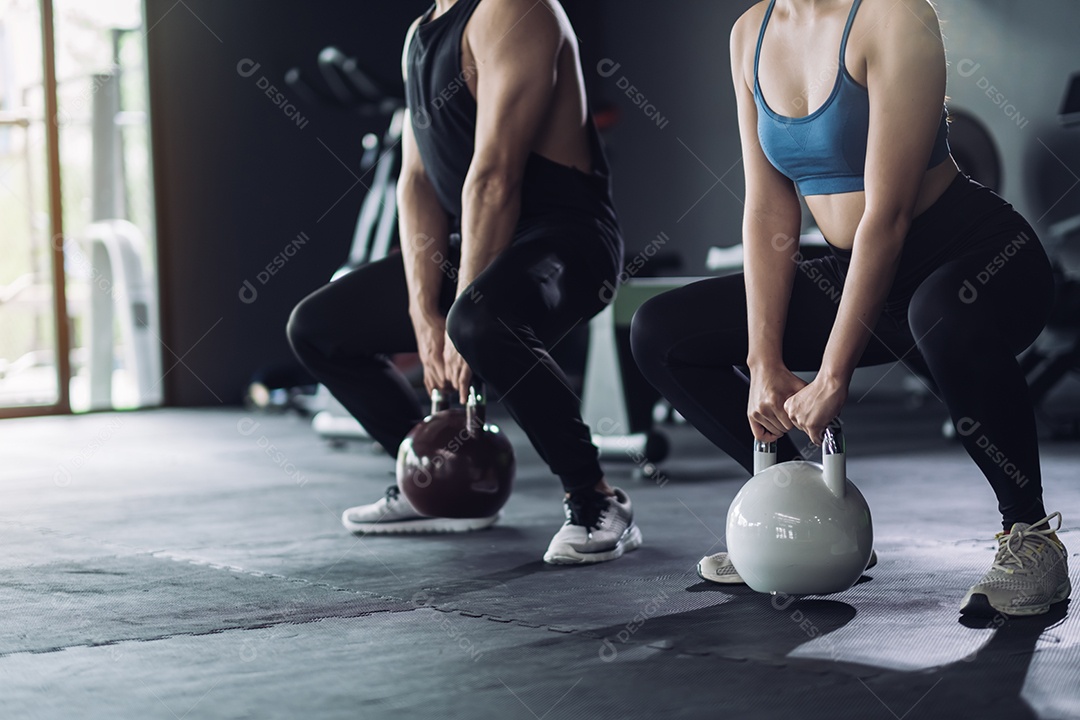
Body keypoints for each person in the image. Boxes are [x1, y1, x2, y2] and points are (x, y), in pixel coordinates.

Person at [631, 0, 1070, 616]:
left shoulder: (893, 16)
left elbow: (887, 217)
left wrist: (834, 373)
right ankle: (806, 517)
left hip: (980, 261)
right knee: (662, 331)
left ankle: (1032, 539)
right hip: (858, 272)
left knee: (937, 308)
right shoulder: (749, 34)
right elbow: (766, 208)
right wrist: (763, 360)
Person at [288, 0, 642, 565]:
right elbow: (417, 180)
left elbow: (494, 176)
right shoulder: (420, 33)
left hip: (570, 242)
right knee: (317, 327)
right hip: (477, 242)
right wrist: (422, 315)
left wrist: (455, 309)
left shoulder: (516, 10)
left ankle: (596, 498)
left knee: (477, 319)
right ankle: (433, 476)